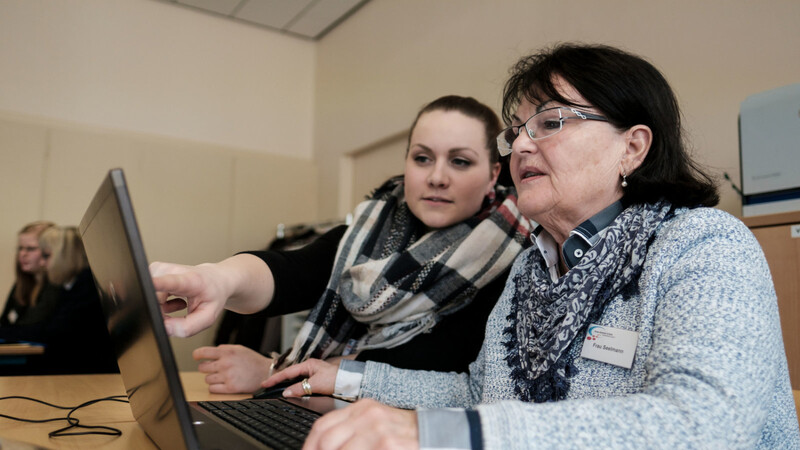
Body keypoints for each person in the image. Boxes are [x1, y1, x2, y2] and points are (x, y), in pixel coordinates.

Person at [264, 43, 800, 449]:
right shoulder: (532, 268)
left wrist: (436, 434)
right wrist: (351, 381)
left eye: (550, 122)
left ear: (632, 148)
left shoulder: (703, 244)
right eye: (517, 129)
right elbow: (481, 396)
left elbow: (705, 425)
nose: (520, 144)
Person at [150, 95, 533, 394]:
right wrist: (218, 278)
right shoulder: (363, 238)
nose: (436, 177)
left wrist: (271, 372)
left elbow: (474, 391)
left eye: (460, 162)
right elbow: (288, 273)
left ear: (493, 174)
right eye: (422, 158)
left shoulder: (519, 261)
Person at [0, 226, 118, 375]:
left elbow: (51, 333)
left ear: (65, 256)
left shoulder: (86, 286)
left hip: (88, 373)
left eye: (46, 256)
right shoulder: (73, 285)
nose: (42, 263)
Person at [2, 221, 56, 327]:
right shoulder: (21, 284)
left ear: (50, 251)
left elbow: (33, 328)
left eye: (30, 248)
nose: (22, 254)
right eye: (20, 248)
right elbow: (4, 323)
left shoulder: (58, 285)